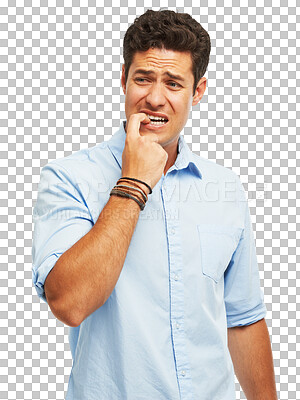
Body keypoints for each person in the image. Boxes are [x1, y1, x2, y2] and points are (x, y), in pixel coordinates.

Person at [32, 9, 278, 400]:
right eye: (142, 78)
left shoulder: (225, 187)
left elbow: (243, 320)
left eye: (174, 83)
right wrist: (133, 182)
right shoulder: (69, 178)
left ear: (197, 92)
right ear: (123, 80)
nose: (154, 98)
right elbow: (69, 303)